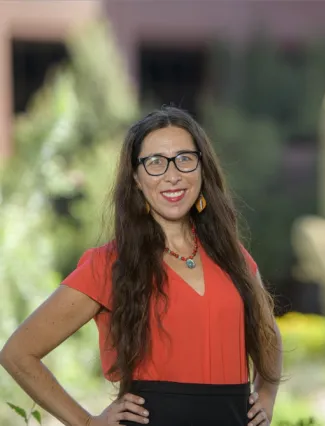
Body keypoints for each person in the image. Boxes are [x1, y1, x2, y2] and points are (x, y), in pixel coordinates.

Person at [0, 106, 282, 426]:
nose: (172, 175)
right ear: (135, 178)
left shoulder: (235, 257)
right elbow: (18, 354)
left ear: (202, 168)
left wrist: (267, 393)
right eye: (155, 163)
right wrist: (88, 422)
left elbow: (267, 335)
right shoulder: (108, 265)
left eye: (185, 158)